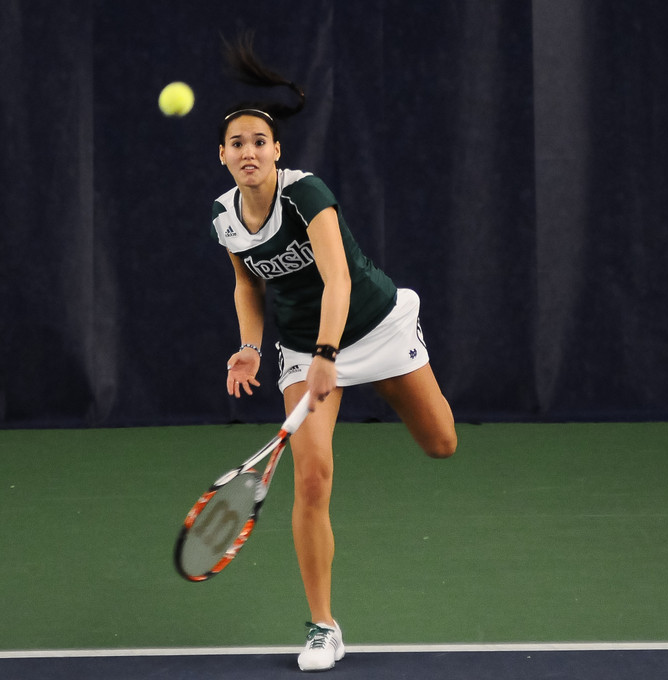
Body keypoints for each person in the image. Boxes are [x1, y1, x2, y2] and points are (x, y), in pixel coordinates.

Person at [212, 35, 457, 672]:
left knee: (441, 443)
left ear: (276, 151)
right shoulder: (226, 219)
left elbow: (339, 278)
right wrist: (250, 347)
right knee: (312, 478)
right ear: (223, 156)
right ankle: (323, 626)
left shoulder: (307, 194)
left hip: (374, 325)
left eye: (258, 142)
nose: (249, 152)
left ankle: (397, 380)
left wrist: (331, 351)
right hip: (301, 348)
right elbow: (246, 282)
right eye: (237, 143)